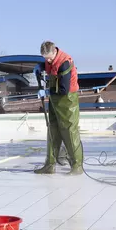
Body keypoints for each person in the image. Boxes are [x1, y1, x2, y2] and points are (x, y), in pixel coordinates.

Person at [34, 41, 83, 175]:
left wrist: (47, 92)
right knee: (52, 129)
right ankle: (49, 164)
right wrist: (39, 66)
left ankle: (77, 166)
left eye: (49, 58)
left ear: (55, 52)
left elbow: (63, 89)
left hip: (67, 100)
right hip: (54, 100)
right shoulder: (49, 60)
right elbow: (47, 66)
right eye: (45, 59)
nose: (47, 61)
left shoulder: (64, 63)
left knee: (69, 131)